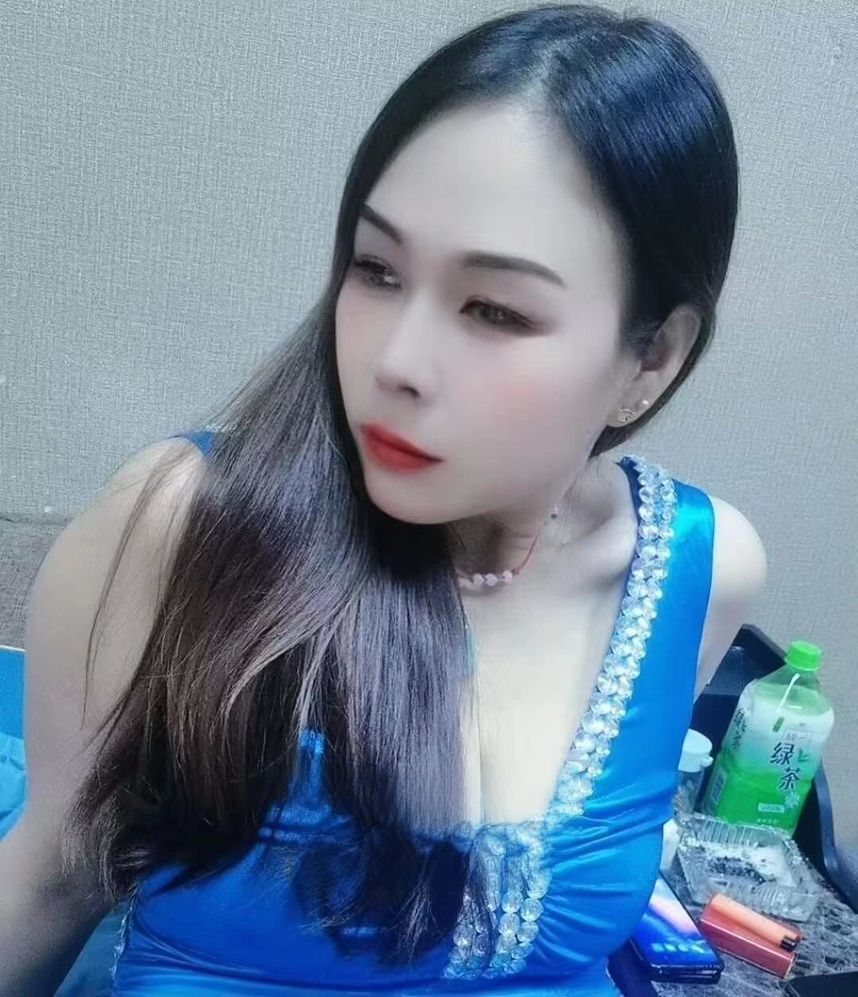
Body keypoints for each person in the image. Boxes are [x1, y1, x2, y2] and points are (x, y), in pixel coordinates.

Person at [0, 4, 768, 994]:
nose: (394, 360)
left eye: (495, 309)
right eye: (376, 269)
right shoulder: (180, 529)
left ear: (650, 358)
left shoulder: (699, 568)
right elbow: (50, 879)